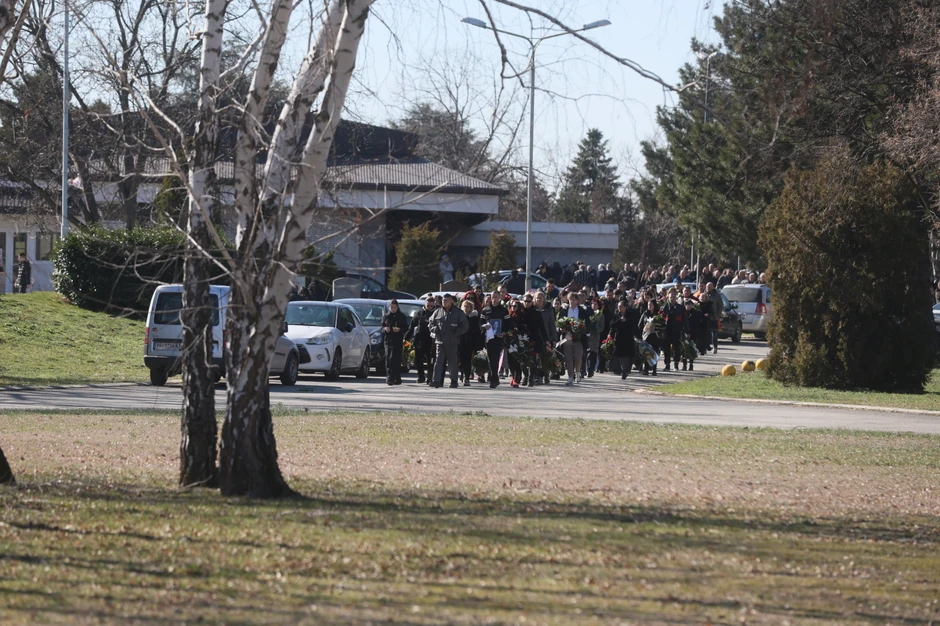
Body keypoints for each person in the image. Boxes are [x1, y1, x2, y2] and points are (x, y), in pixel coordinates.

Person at [429, 294, 469, 388]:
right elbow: (431, 323)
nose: (444, 302)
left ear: (451, 302)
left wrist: (457, 332)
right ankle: (436, 380)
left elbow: (465, 325)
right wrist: (434, 329)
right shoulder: (438, 312)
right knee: (438, 362)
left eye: (446, 300)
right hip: (440, 341)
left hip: (452, 342)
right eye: (443, 300)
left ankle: (454, 381)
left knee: (452, 363)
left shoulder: (458, 313)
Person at [481, 289, 511, 388]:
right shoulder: (485, 310)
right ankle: (495, 377)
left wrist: (504, 333)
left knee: (496, 358)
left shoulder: (504, 310)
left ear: (499, 298)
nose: (494, 299)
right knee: (490, 358)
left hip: (499, 338)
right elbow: (480, 323)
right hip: (489, 338)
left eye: (496, 297)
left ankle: (493, 379)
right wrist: (484, 326)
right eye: (492, 297)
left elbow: (508, 325)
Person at [559, 291, 589, 386]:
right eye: (570, 299)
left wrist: (581, 328)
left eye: (574, 299)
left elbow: (587, 324)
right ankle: (570, 377)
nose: (572, 301)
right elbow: (559, 323)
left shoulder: (582, 311)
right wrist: (561, 329)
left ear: (577, 301)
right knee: (568, 358)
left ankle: (578, 372)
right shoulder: (564, 310)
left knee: (578, 357)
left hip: (578, 338)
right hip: (567, 338)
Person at [519, 293, 548, 386]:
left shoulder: (536, 313)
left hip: (534, 339)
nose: (526, 303)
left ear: (532, 302)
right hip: (522, 339)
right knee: (522, 361)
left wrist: (546, 340)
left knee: (532, 360)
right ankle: (525, 375)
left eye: (529, 301)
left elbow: (542, 327)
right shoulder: (520, 312)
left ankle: (531, 378)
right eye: (525, 301)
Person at [608, 298, 640, 379]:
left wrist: (638, 336)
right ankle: (622, 370)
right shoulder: (616, 315)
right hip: (619, 338)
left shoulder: (631, 315)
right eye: (618, 307)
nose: (619, 308)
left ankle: (626, 370)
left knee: (629, 355)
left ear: (625, 307)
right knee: (620, 355)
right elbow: (612, 325)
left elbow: (634, 325)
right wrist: (619, 321)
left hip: (628, 337)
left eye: (621, 306)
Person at [406, 297, 436, 384]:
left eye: (431, 306)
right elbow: (412, 327)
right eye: (428, 305)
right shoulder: (419, 313)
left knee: (431, 360)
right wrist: (406, 338)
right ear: (425, 304)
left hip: (431, 340)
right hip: (419, 339)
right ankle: (421, 376)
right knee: (418, 359)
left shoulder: (436, 313)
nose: (429, 307)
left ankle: (430, 377)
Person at [661, 289, 689, 372]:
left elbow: (685, 319)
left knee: (676, 347)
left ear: (676, 298)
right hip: (667, 330)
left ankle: (676, 364)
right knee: (666, 348)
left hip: (677, 330)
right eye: (670, 297)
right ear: (668, 298)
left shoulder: (680, 308)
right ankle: (667, 364)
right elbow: (660, 318)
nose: (672, 298)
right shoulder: (664, 307)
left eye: (673, 297)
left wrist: (687, 330)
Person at [382, 300, 408, 385]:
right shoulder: (386, 316)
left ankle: (397, 377)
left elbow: (406, 328)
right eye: (391, 307)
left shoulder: (401, 316)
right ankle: (389, 377)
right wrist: (385, 329)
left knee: (396, 358)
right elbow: (382, 326)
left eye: (395, 307)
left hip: (397, 340)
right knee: (389, 358)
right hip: (388, 340)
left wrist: (399, 329)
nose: (393, 309)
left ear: (397, 307)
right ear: (389, 307)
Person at [458, 299, 483, 386]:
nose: (466, 308)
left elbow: (477, 330)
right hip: (460, 341)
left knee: (468, 360)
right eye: (464, 306)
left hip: (470, 342)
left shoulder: (474, 318)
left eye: (468, 307)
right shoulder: (459, 317)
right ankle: (462, 373)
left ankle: (467, 377)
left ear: (471, 308)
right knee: (460, 360)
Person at [638, 298, 662, 376]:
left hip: (655, 337)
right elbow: (640, 324)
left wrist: (655, 329)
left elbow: (662, 325)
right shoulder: (645, 314)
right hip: (646, 337)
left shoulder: (658, 314)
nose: (649, 306)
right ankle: (646, 369)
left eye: (651, 305)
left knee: (654, 352)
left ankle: (654, 369)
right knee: (647, 352)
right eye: (648, 305)